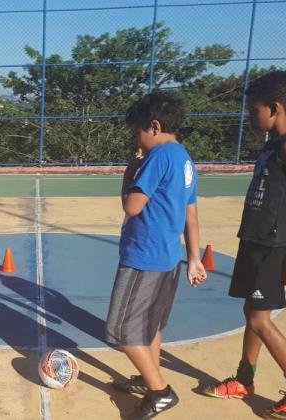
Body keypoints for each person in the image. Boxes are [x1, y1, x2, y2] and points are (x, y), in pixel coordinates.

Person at [202, 71, 286, 419]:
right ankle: (244, 380)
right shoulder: (271, 146)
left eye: (253, 110)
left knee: (260, 320)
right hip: (254, 241)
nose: (250, 117)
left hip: (274, 247)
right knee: (251, 314)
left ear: (275, 108)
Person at [105, 91, 207, 419]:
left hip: (144, 258)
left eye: (137, 131)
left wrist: (131, 169)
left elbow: (131, 205)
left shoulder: (158, 156)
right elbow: (191, 213)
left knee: (122, 329)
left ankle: (160, 392)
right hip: (168, 258)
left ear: (154, 126)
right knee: (150, 326)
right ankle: (149, 377)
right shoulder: (184, 158)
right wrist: (193, 257)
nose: (137, 138)